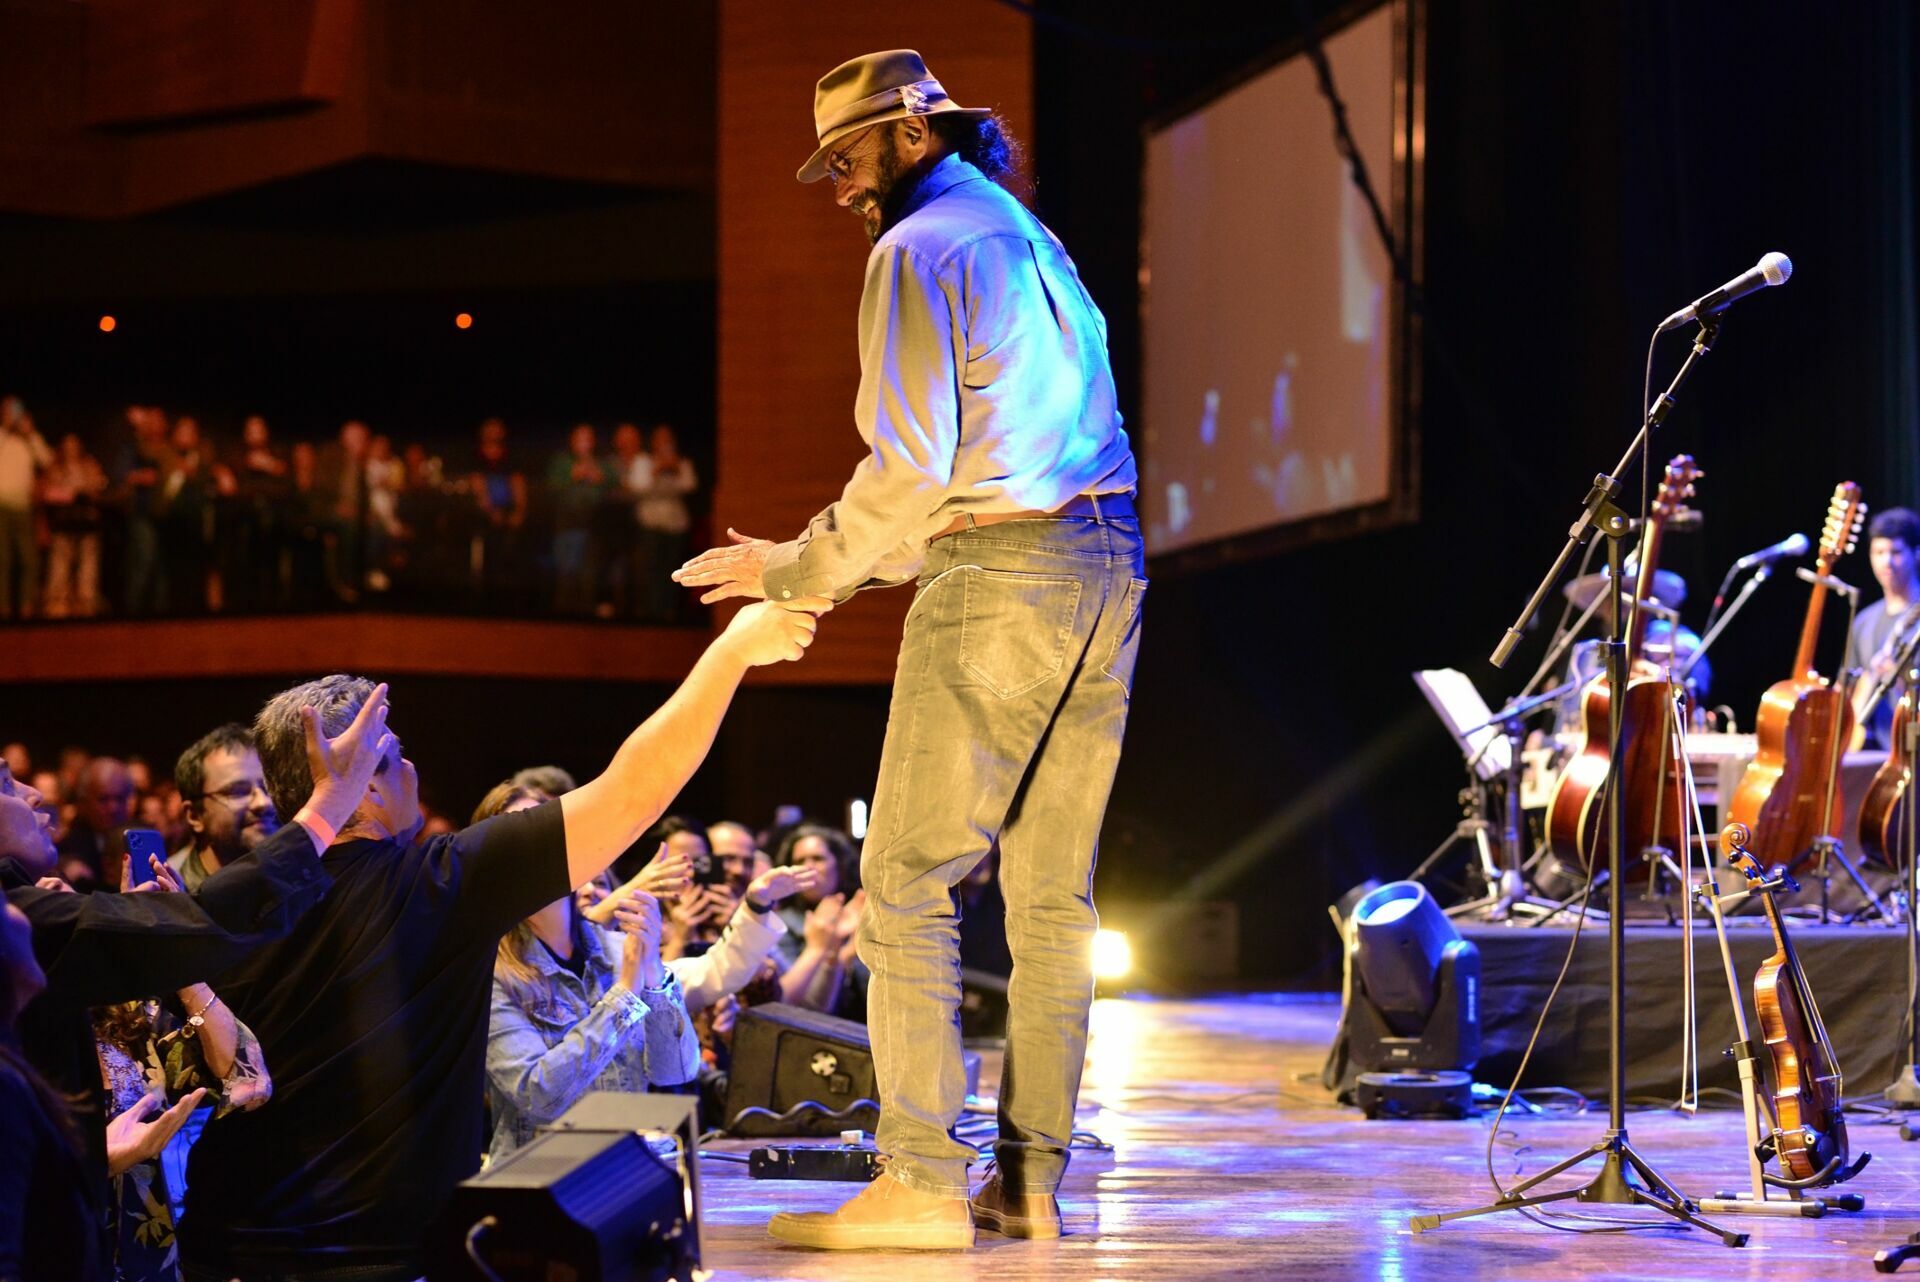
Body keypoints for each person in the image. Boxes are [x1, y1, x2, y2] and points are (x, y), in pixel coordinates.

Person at [674, 50, 1144, 1250]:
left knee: (904, 881)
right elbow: (987, 460)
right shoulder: (1031, 241)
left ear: (914, 136)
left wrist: (796, 573)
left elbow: (910, 474)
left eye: (848, 159)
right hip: (1105, 559)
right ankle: (1031, 1184)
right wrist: (820, 552)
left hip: (1001, 574)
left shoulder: (915, 250)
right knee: (1050, 900)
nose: (839, 188)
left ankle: (923, 1183)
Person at [176, 598, 827, 1282]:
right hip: (377, 1262)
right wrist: (732, 651)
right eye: (394, 758)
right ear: (356, 784)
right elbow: (635, 788)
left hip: (227, 1251)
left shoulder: (223, 896)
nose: (414, 773)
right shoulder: (440, 883)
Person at [476, 783, 698, 1162]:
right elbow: (537, 1093)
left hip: (628, 1173)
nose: (539, 843)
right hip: (540, 1185)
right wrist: (626, 994)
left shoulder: (616, 949)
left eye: (547, 829)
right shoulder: (490, 968)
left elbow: (675, 1070)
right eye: (518, 834)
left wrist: (654, 972)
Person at [167, 725, 277, 894]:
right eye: (238, 791)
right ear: (195, 816)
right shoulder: (170, 897)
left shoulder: (299, 878)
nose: (263, 802)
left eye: (267, 788)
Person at [1847, 507, 1920, 750]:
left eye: (1896, 552)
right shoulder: (1864, 622)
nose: (1886, 561)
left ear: (1916, 553)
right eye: (1879, 552)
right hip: (1872, 759)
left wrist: (1900, 678)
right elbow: (1851, 691)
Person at [628, 423, 697, 621]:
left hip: (675, 525)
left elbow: (690, 485)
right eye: (660, 439)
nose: (664, 443)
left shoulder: (681, 463)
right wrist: (656, 470)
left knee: (672, 570)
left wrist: (675, 468)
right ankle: (651, 613)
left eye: (668, 439)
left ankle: (669, 612)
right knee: (651, 568)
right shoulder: (644, 462)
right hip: (650, 524)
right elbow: (637, 487)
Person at [39, 433, 108, 619]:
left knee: (87, 569)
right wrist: (69, 494)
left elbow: (99, 486)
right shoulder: (56, 468)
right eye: (67, 445)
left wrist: (85, 491)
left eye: (74, 445)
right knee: (60, 568)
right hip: (63, 523)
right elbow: (47, 492)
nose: (71, 449)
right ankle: (57, 605)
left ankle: (86, 605)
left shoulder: (89, 465)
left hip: (87, 523)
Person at [0, 397, 52, 620]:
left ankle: (26, 608)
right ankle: (3, 607)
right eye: (9, 411)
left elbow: (47, 459)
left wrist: (30, 434)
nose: (14, 415)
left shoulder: (29, 440)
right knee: (2, 559)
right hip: (1, 506)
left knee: (28, 559)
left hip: (24, 507)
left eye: (17, 411)